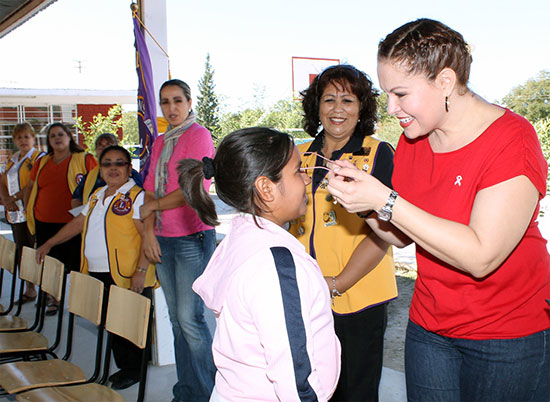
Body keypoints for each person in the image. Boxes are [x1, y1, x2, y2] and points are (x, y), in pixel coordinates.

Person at [326, 18, 550, 402]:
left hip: (507, 334)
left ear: (445, 81)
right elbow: (399, 234)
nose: (391, 108)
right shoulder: (414, 140)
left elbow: (481, 256)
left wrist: (385, 200)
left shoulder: (512, 138)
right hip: (430, 328)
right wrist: (363, 203)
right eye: (387, 95)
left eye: (401, 94)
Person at [179, 127, 341, 401]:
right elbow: (293, 373)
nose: (306, 178)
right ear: (266, 188)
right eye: (298, 170)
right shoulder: (276, 265)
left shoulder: (240, 239)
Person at [289, 64, 397, 402]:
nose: (337, 109)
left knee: (358, 391)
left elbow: (383, 232)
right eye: (329, 99)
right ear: (316, 106)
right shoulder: (297, 154)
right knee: (318, 386)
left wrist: (336, 284)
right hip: (308, 295)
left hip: (360, 294)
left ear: (361, 107)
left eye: (348, 100)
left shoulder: (377, 153)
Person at [36, 145, 156, 390]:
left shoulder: (137, 196)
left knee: (129, 324)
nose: (113, 168)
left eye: (119, 163)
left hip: (126, 274)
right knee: (111, 323)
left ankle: (134, 370)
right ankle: (125, 366)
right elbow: (78, 223)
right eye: (107, 163)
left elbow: (148, 237)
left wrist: (141, 271)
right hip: (97, 270)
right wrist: (49, 242)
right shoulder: (96, 195)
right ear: (100, 169)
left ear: (128, 168)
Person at [140, 79, 216, 402]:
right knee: (175, 320)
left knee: (191, 319)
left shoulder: (198, 135)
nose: (171, 108)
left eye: (177, 101)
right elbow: (147, 189)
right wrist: (146, 232)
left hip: (192, 238)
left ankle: (210, 393)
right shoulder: (159, 142)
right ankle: (187, 391)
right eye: (165, 102)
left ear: (188, 103)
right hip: (161, 238)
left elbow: (190, 189)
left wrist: (153, 206)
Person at [24, 122, 96, 315]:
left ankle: (79, 302)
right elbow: (31, 186)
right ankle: (51, 298)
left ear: (69, 137)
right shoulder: (42, 161)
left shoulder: (84, 159)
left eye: (61, 134)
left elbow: (98, 183)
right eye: (52, 135)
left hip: (72, 224)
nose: (57, 138)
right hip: (43, 221)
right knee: (48, 262)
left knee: (74, 263)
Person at [0, 122, 44, 303]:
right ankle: (30, 289)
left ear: (34, 138)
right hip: (15, 213)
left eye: (27, 136)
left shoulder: (39, 158)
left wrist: (13, 198)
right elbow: (1, 181)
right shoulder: (12, 160)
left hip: (35, 212)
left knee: (39, 251)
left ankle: (49, 293)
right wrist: (6, 200)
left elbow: (33, 184)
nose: (23, 140)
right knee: (22, 251)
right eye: (19, 137)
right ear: (14, 141)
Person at [71, 132, 142, 208]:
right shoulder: (89, 176)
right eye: (100, 146)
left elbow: (142, 197)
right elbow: (76, 199)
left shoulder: (130, 173)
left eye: (109, 145)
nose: (104, 149)